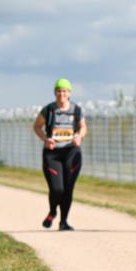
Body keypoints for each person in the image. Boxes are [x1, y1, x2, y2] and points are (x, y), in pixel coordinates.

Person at [33, 79, 87, 231]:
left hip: (71, 152)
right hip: (53, 154)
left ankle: (63, 222)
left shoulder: (76, 110)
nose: (61, 94)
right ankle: (52, 212)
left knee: (68, 188)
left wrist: (79, 136)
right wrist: (46, 139)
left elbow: (83, 127)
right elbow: (37, 126)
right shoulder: (49, 110)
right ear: (55, 92)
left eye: (64, 91)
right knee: (57, 189)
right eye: (59, 91)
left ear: (69, 93)